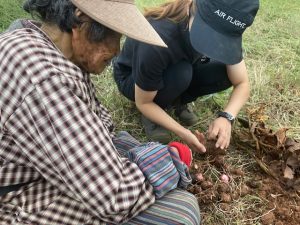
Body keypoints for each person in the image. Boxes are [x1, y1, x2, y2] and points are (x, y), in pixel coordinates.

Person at [0, 0, 201, 224]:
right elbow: (113, 199)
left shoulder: (43, 43)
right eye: (114, 35)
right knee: (182, 212)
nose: (117, 51)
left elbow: (103, 125)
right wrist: (169, 159)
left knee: (127, 147)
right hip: (25, 195)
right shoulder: (45, 79)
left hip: (43, 167)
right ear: (81, 21)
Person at [113, 0, 260, 152]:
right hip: (134, 80)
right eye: (209, 34)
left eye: (221, 39)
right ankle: (156, 112)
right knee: (182, 73)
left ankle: (176, 101)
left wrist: (227, 117)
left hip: (178, 66)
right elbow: (143, 102)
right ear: (194, 8)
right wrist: (182, 132)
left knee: (222, 71)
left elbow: (242, 82)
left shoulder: (224, 25)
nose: (213, 45)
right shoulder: (158, 38)